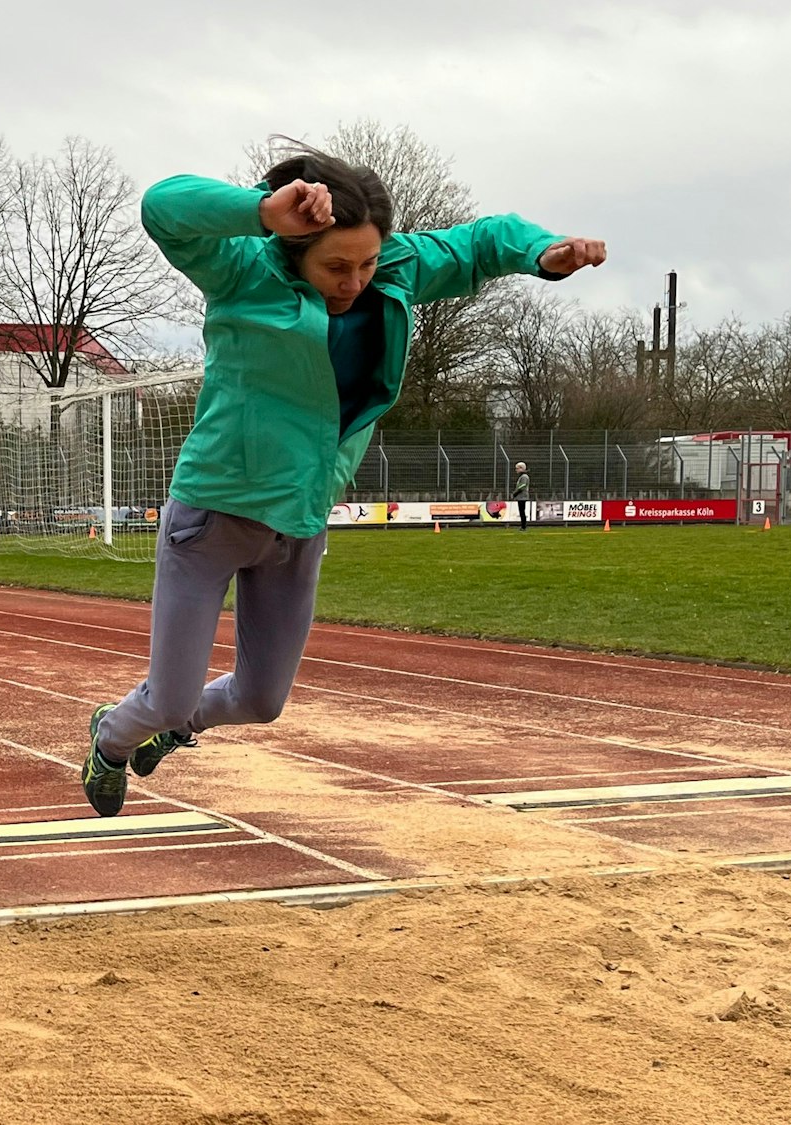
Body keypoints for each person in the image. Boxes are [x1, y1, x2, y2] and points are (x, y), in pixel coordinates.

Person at [81, 146, 606, 817]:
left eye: (367, 262)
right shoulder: (243, 272)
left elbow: (482, 241)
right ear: (295, 244)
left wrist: (542, 253)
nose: (355, 280)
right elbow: (164, 206)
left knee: (261, 700)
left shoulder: (395, 270)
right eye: (336, 265)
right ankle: (114, 737)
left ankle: (180, 729)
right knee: (169, 695)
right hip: (213, 514)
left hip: (298, 523)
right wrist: (259, 211)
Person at [512, 461, 531, 530]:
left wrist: (515, 493)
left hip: (522, 497)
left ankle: (523, 526)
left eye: (517, 468)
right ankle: (523, 526)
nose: (516, 470)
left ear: (521, 468)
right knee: (521, 511)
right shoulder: (522, 476)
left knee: (522, 511)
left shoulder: (524, 477)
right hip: (521, 497)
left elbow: (522, 486)